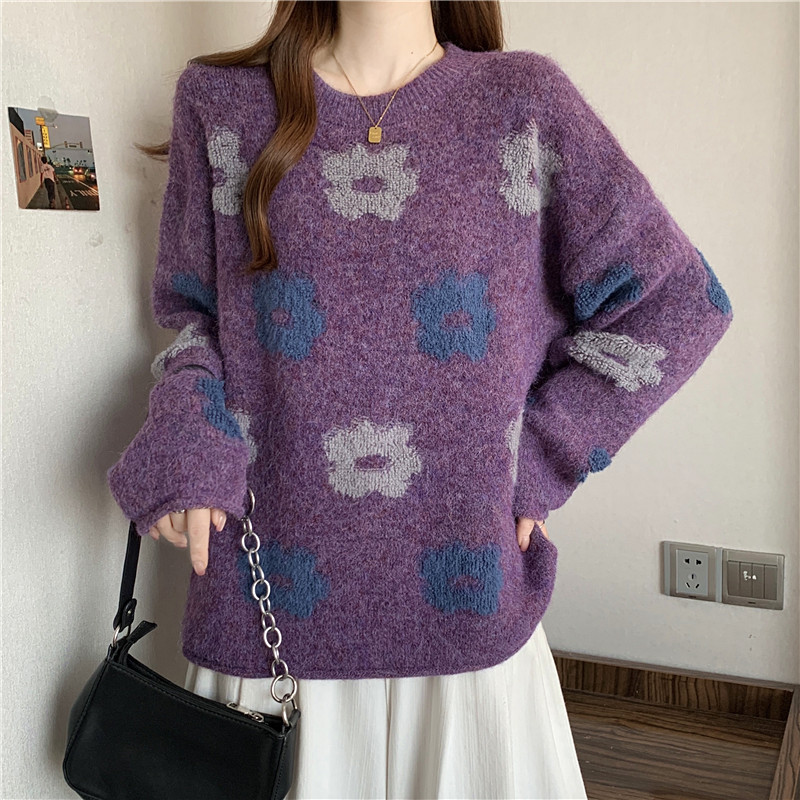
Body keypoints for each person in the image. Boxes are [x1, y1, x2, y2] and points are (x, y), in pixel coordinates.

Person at [107, 1, 734, 797]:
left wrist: (540, 456)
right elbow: (195, 321)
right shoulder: (220, 103)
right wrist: (190, 442)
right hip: (270, 630)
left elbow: (680, 302)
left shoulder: (523, 103)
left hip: (466, 624)